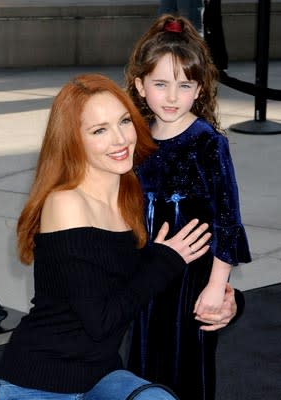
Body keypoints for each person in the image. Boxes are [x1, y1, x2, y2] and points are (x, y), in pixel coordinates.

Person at [0, 73, 218, 400]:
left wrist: (223, 297)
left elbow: (163, 278)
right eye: (100, 130)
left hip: (101, 375)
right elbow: (102, 320)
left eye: (124, 121)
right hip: (40, 381)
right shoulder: (65, 203)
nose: (120, 139)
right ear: (73, 141)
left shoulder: (131, 193)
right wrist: (164, 261)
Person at [125, 14, 251, 400]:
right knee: (142, 365)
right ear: (140, 86)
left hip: (191, 281)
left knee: (187, 365)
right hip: (147, 273)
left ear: (199, 89)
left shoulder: (207, 142)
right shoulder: (135, 140)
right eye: (160, 84)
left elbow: (228, 219)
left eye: (184, 85)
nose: (171, 96)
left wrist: (216, 287)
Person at [203, 0, 228, 71]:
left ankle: (219, 64)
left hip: (211, 19)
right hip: (213, 19)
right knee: (217, 40)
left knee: (214, 41)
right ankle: (220, 64)